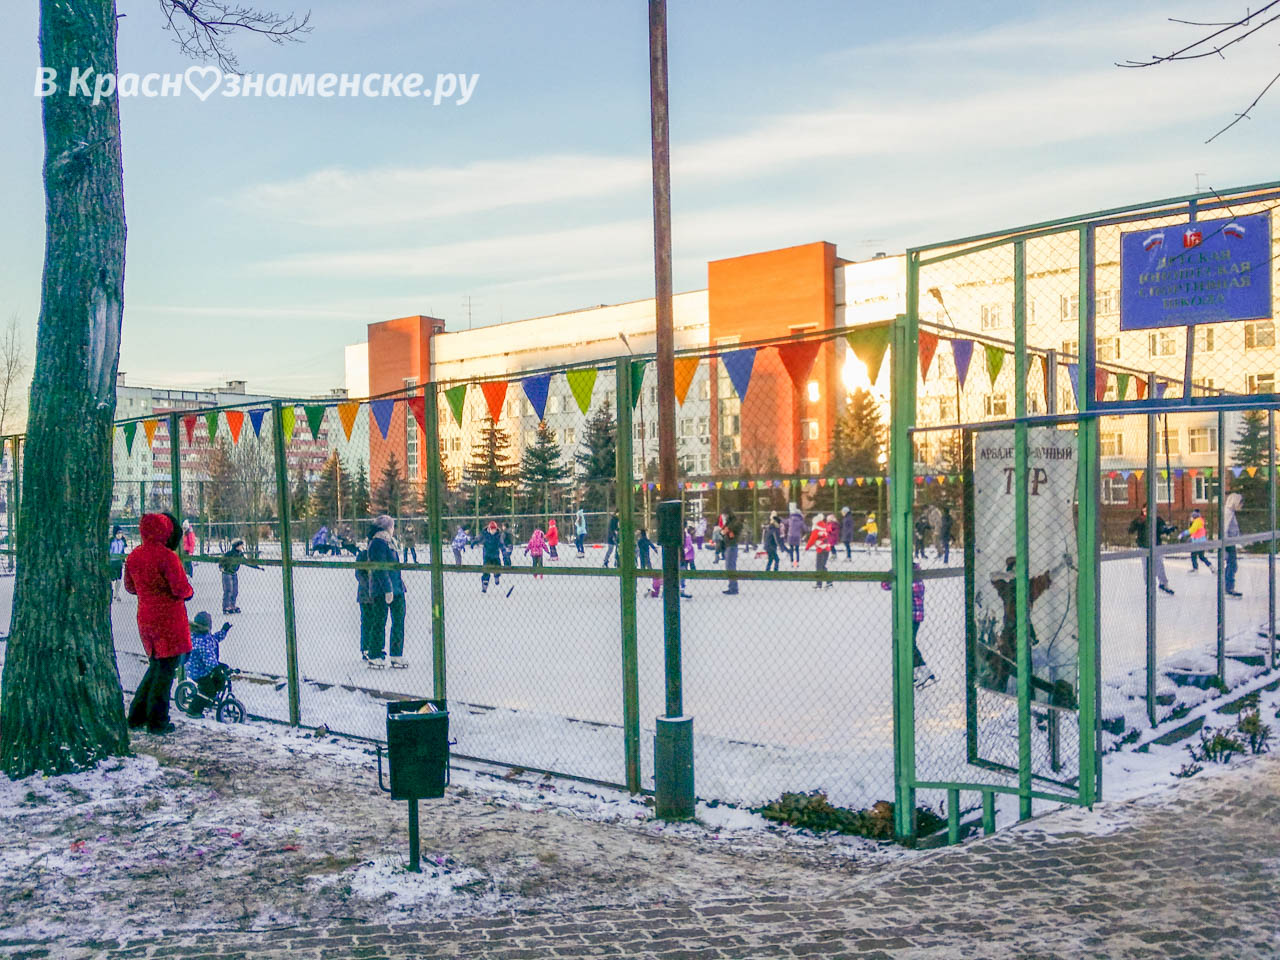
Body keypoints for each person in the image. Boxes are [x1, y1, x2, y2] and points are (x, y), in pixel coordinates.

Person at [124, 512, 193, 735]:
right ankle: (157, 720)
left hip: (145, 617)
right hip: (169, 619)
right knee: (165, 672)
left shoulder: (134, 556)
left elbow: (130, 587)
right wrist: (188, 591)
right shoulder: (167, 557)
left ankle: (137, 715)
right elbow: (181, 589)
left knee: (156, 667)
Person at [881, 566, 934, 688]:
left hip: (913, 615)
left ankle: (924, 670)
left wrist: (897, 579)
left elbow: (913, 589)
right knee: (905, 642)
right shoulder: (904, 576)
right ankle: (913, 673)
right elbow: (884, 586)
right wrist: (890, 576)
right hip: (905, 615)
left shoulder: (915, 577)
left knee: (908, 643)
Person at [367, 514, 408, 668]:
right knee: (379, 621)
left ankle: (396, 654)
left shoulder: (391, 542)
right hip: (382, 589)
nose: (393, 529)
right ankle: (375, 654)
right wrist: (387, 589)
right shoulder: (377, 543)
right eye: (392, 526)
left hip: (397, 588)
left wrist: (397, 587)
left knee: (398, 621)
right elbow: (380, 568)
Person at [184, 612, 233, 718]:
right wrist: (216, 669)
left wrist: (223, 631)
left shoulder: (205, 635)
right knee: (208, 690)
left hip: (204, 666)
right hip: (198, 670)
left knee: (222, 673)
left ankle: (210, 697)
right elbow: (208, 660)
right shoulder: (201, 641)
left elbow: (215, 639)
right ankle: (193, 710)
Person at [1128, 506, 1176, 595]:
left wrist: (1168, 530)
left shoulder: (1157, 519)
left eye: (1148, 510)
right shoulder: (1140, 520)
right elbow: (1131, 529)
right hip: (1144, 547)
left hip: (1155, 546)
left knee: (1159, 565)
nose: (1146, 512)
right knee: (1146, 567)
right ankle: (1149, 586)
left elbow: (1162, 528)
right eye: (1144, 510)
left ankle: (1163, 584)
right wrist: (1134, 526)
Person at [218, 539, 261, 614]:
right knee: (228, 590)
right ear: (237, 546)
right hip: (227, 573)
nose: (242, 547)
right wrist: (222, 568)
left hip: (234, 573)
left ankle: (232, 605)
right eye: (241, 545)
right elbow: (222, 561)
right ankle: (226, 606)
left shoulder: (240, 554)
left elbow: (246, 562)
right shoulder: (229, 554)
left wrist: (256, 566)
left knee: (235, 591)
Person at [355, 524, 376, 662]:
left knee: (376, 622)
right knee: (367, 621)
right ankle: (366, 648)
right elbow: (359, 574)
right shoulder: (363, 555)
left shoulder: (379, 555)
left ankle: (375, 648)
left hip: (377, 594)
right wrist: (369, 587)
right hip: (365, 595)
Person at [804, 513, 834, 589]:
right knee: (823, 566)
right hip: (827, 548)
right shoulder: (825, 526)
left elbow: (812, 539)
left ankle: (819, 584)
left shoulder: (816, 529)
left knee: (819, 566)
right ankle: (829, 582)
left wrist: (807, 548)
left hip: (821, 549)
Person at [1224, 487, 1244, 597]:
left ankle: (1228, 587)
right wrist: (1225, 546)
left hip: (1230, 543)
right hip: (1228, 544)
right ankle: (1228, 588)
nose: (1241, 506)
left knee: (1232, 565)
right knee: (1232, 565)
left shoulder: (1230, 512)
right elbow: (1225, 529)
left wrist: (1243, 542)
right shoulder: (1228, 513)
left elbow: (1235, 531)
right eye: (1240, 503)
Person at [722, 511, 743, 595]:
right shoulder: (729, 523)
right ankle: (732, 586)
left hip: (731, 546)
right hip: (729, 546)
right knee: (729, 567)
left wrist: (728, 530)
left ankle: (733, 588)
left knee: (731, 567)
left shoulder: (734, 524)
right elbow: (723, 532)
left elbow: (730, 533)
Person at [480, 520, 504, 592]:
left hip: (495, 556)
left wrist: (505, 554)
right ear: (489, 529)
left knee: (497, 567)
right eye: (492, 529)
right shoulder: (485, 534)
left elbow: (502, 544)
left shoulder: (498, 535)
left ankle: (497, 576)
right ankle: (484, 586)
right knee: (486, 571)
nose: (493, 531)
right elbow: (479, 538)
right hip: (487, 556)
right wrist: (474, 542)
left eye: (494, 529)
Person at [108, 525, 128, 601]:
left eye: (121, 533)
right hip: (111, 562)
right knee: (111, 579)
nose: (120, 534)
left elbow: (122, 551)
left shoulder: (122, 541)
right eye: (118, 533)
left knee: (119, 579)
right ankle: (110, 593)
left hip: (118, 562)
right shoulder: (111, 541)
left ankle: (116, 594)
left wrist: (123, 560)